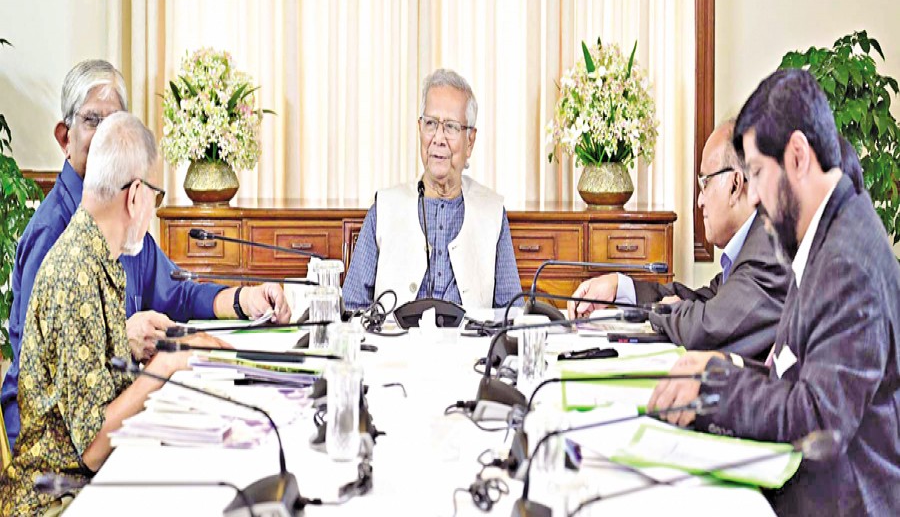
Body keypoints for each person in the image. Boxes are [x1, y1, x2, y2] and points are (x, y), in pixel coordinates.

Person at [647, 69, 900, 515]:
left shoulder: (846, 262)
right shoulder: (829, 233)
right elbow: (796, 376)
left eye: (759, 173)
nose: (756, 197)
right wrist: (721, 369)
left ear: (798, 156)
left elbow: (817, 417)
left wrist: (716, 386)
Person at [1, 60, 289, 450]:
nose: (106, 135)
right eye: (92, 121)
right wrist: (130, 344)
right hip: (54, 446)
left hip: (104, 418)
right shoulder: (56, 236)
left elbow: (179, 293)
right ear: (64, 137)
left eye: (114, 121)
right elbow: (41, 361)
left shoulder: (120, 225)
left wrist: (244, 299)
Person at [0, 113, 231, 515]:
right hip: (56, 497)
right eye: (155, 198)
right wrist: (169, 364)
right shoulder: (76, 271)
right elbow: (91, 448)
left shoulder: (98, 256)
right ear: (136, 194)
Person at [568, 120, 792, 360]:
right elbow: (703, 301)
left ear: (735, 184)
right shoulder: (753, 246)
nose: (700, 201)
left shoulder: (769, 249)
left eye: (705, 183)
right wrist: (618, 287)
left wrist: (668, 310)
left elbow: (708, 327)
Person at [342, 68, 522, 310]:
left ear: (470, 141)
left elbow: (511, 313)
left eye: (451, 127)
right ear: (420, 130)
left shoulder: (492, 212)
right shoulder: (385, 208)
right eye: (430, 124)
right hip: (395, 347)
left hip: (470, 348)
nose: (438, 138)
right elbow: (353, 306)